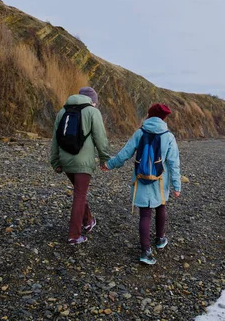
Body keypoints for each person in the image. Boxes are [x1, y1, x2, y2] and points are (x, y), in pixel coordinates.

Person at [105, 103, 181, 265]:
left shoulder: (140, 132)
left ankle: (145, 251)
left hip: (140, 178)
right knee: (161, 206)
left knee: (145, 214)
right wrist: (177, 185)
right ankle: (160, 239)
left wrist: (110, 164)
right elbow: (174, 163)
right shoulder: (168, 136)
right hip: (160, 180)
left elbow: (125, 153)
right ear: (164, 118)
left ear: (149, 115)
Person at [50, 87, 110, 245]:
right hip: (83, 162)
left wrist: (55, 161)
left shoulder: (62, 111)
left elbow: (55, 139)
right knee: (79, 195)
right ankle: (74, 235)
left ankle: (88, 221)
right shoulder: (92, 111)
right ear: (93, 101)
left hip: (65, 160)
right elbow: (100, 138)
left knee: (79, 192)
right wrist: (105, 158)